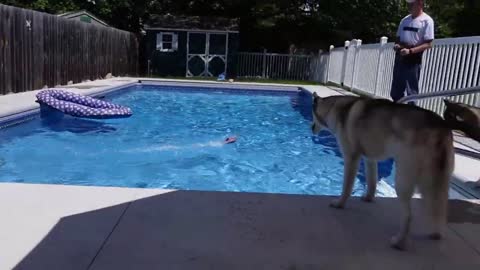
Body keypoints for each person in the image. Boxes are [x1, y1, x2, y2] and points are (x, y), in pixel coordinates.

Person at [390, 0, 434, 103]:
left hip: (413, 57)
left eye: (411, 4)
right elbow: (398, 38)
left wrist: (410, 51)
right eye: (408, 4)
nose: (408, 6)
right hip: (400, 55)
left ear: (420, 3)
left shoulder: (427, 20)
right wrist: (397, 45)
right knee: (396, 88)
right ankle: (396, 109)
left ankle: (411, 113)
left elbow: (428, 44)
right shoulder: (405, 20)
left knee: (411, 89)